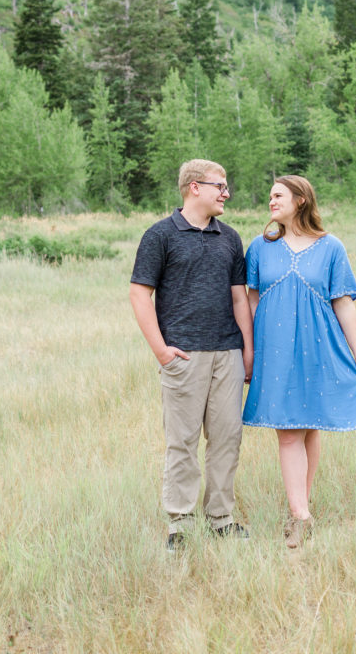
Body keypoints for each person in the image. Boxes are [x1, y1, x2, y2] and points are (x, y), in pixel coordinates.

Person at [242, 175, 356, 549]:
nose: (271, 201)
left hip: (318, 346)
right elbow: (251, 300)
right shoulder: (260, 248)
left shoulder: (331, 247)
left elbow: (343, 302)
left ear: (301, 200)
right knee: (288, 430)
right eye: (269, 196)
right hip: (275, 349)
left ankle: (301, 507)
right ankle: (300, 515)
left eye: (278, 195)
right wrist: (250, 349)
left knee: (310, 425)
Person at [129, 159, 254, 550]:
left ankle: (221, 520)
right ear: (194, 187)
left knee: (227, 438)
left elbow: (239, 298)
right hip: (182, 356)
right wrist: (161, 351)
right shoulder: (160, 235)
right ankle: (180, 525)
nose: (226, 194)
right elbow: (139, 294)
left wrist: (248, 350)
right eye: (220, 186)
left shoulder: (230, 238)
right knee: (182, 442)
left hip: (227, 353)